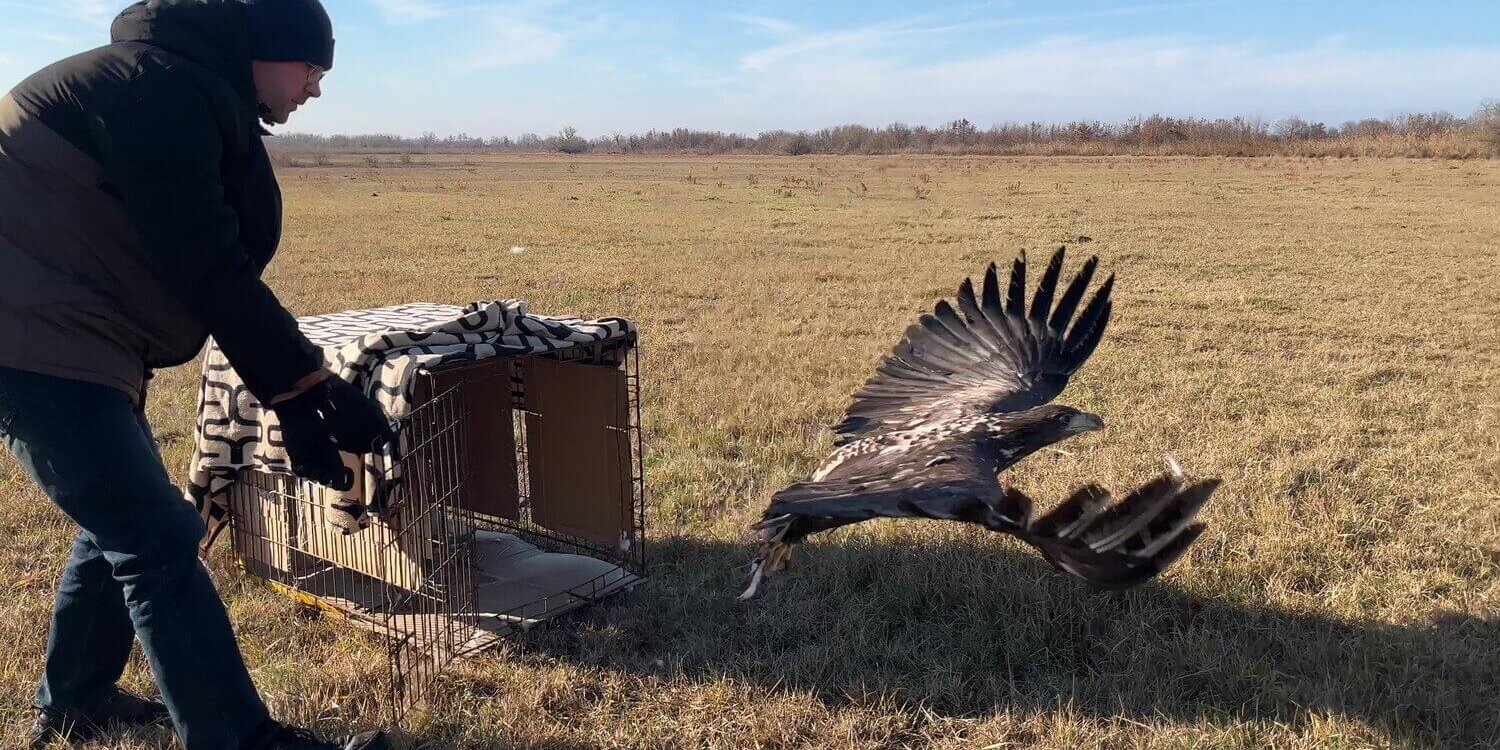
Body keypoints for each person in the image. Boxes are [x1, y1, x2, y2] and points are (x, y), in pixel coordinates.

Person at [0, 0, 395, 748]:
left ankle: (77, 700)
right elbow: (204, 260)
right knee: (155, 537)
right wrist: (310, 386)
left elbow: (206, 261)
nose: (315, 88)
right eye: (312, 68)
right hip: (30, 333)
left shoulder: (171, 82)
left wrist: (295, 394)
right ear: (267, 52)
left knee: (121, 514)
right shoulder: (163, 86)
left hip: (67, 327)